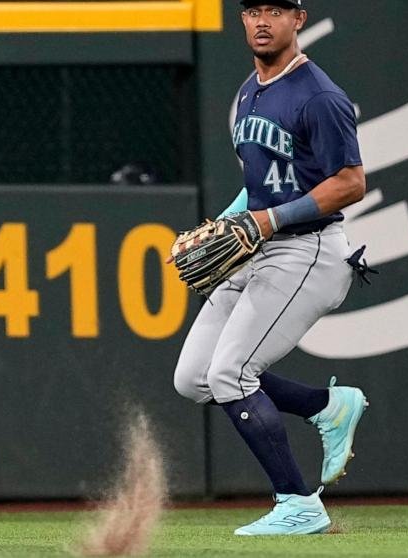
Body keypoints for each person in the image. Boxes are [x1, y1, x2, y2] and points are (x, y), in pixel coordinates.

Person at [172, 0, 370, 536]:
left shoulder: (320, 97)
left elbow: (351, 182)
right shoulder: (248, 90)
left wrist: (267, 220)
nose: (262, 20)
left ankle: (298, 504)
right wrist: (233, 220)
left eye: (276, 10)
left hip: (309, 250)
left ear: (298, 19)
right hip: (266, 245)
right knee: (193, 378)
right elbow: (263, 182)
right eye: (252, 10)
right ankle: (326, 406)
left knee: (231, 373)